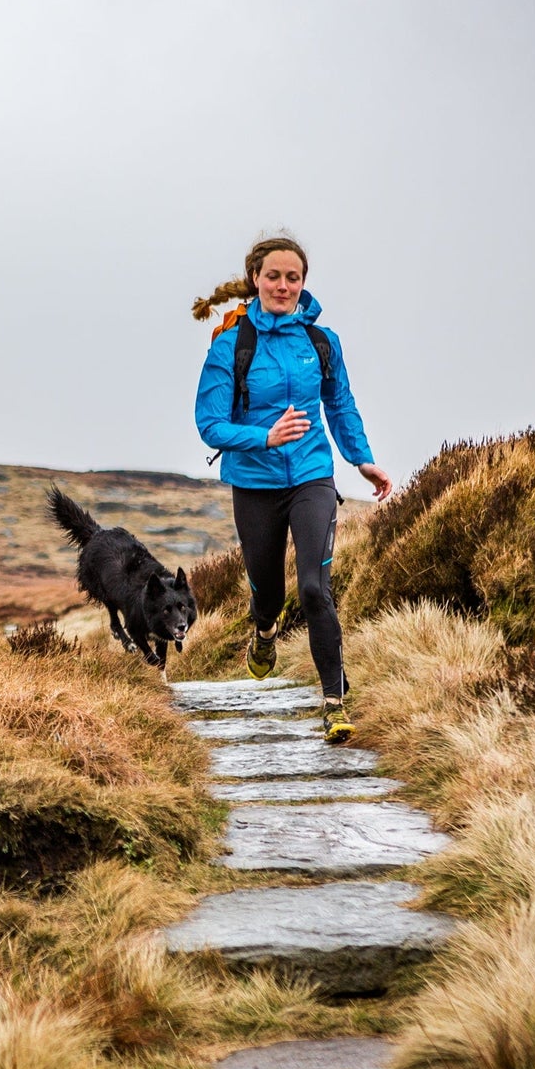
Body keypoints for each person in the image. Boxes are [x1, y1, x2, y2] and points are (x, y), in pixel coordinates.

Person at [192, 235, 392, 743]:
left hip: (311, 476)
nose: (283, 286)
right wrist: (264, 436)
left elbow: (340, 403)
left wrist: (362, 459)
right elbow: (210, 424)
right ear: (255, 279)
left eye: (293, 277)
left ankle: (334, 703)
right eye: (274, 276)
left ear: (303, 283)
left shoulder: (320, 342)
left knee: (314, 588)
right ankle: (264, 632)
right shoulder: (231, 344)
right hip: (253, 483)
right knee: (268, 595)